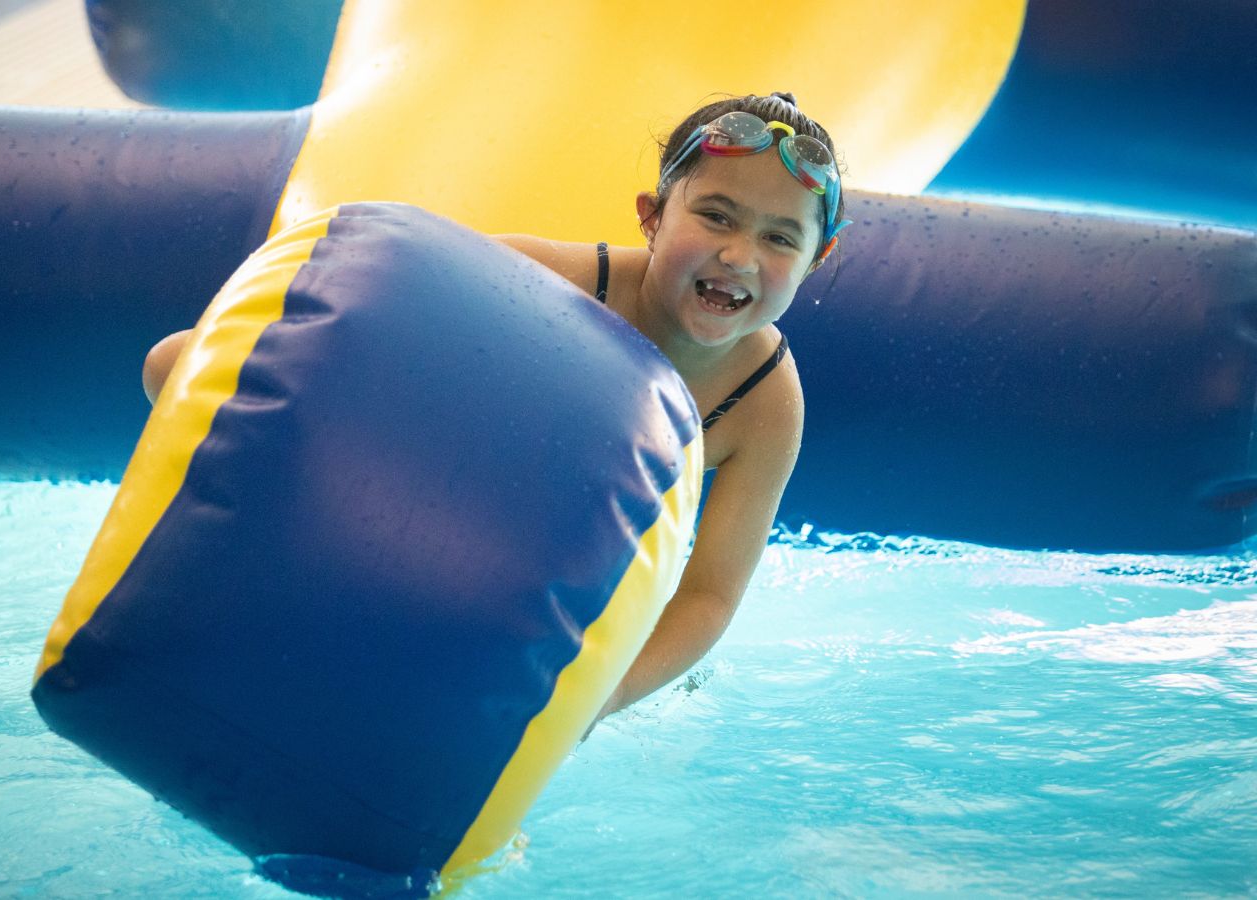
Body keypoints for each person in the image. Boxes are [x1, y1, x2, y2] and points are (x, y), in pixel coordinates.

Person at [142, 92, 850, 721]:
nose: (739, 255)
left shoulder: (763, 401)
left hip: (552, 597)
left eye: (779, 237)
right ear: (652, 217)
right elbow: (178, 363)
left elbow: (709, 598)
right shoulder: (535, 283)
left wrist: (603, 699)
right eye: (715, 215)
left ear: (818, 260)